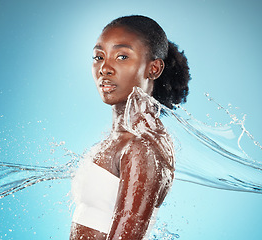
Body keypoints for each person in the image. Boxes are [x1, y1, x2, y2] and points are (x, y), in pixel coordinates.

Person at [70, 15, 191, 240]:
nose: (104, 68)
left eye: (122, 56)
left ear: (154, 68)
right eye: (98, 56)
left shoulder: (141, 146)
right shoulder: (121, 137)